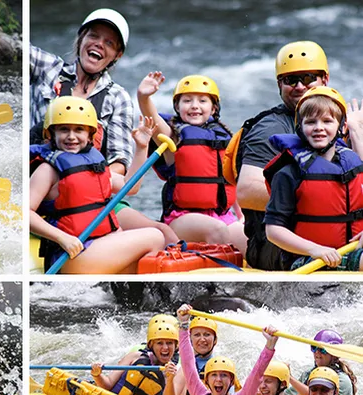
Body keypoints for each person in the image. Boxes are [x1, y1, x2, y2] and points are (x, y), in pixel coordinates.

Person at [28, 8, 175, 245]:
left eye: (109, 42)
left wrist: (81, 180)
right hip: (42, 185)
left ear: (116, 55)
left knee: (164, 234)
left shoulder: (117, 97)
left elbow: (119, 165)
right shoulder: (49, 69)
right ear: (81, 40)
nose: (99, 44)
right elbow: (17, 49)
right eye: (93, 36)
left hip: (93, 191)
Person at [232, 41, 363, 269]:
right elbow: (245, 193)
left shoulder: (345, 121)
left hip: (344, 243)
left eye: (308, 77)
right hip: (286, 247)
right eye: (291, 80)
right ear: (280, 84)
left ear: (325, 79)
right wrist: (320, 198)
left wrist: (357, 132)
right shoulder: (269, 130)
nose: (300, 86)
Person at [28, 96, 165, 273]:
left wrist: (141, 147)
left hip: (97, 247)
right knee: (155, 236)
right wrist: (62, 238)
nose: (71, 136)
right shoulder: (48, 170)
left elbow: (129, 187)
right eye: (63, 129)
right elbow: (26, 213)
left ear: (90, 134)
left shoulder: (93, 163)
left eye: (79, 130)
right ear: (50, 134)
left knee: (143, 250)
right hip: (73, 254)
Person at [136, 73, 245, 249]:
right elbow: (153, 119)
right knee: (217, 230)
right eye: (187, 100)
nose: (195, 106)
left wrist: (242, 216)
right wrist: (144, 97)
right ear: (177, 107)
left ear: (214, 108)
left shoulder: (223, 138)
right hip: (182, 218)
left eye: (202, 101)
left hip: (221, 216)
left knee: (250, 238)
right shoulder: (173, 137)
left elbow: (230, 181)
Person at [263, 86, 363, 270]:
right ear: (300, 127)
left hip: (350, 250)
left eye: (327, 121)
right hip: (308, 259)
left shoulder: (351, 163)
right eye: (310, 122)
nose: (319, 128)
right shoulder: (289, 174)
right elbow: (273, 231)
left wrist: (356, 131)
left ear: (341, 127)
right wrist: (315, 249)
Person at [286, 329, 357, 395]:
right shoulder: (308, 374)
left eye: (322, 349)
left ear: (334, 355)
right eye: (314, 347)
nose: (317, 352)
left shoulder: (342, 380)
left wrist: (289, 377)